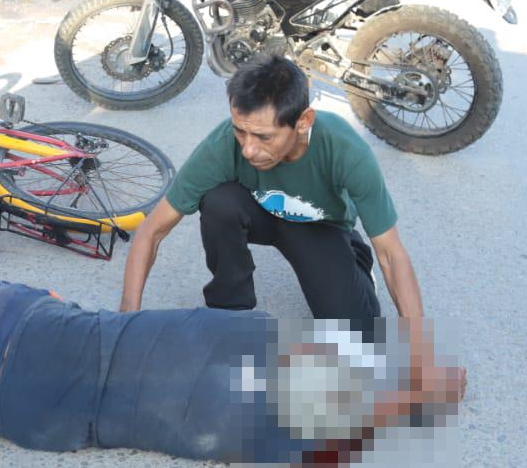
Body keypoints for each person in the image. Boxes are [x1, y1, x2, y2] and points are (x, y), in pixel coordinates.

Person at [0, 279, 465, 468]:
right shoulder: (256, 441)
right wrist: (409, 401)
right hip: (12, 413)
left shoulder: (250, 328)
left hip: (36, 337)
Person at [118, 55, 424, 331]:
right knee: (219, 201)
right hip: (260, 212)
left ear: (303, 122)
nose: (249, 149)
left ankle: (354, 265)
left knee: (356, 337)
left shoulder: (345, 150)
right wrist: (125, 321)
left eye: (264, 137)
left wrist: (423, 351)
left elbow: (391, 253)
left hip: (320, 227)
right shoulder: (224, 143)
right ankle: (230, 312)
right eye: (240, 130)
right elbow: (152, 231)